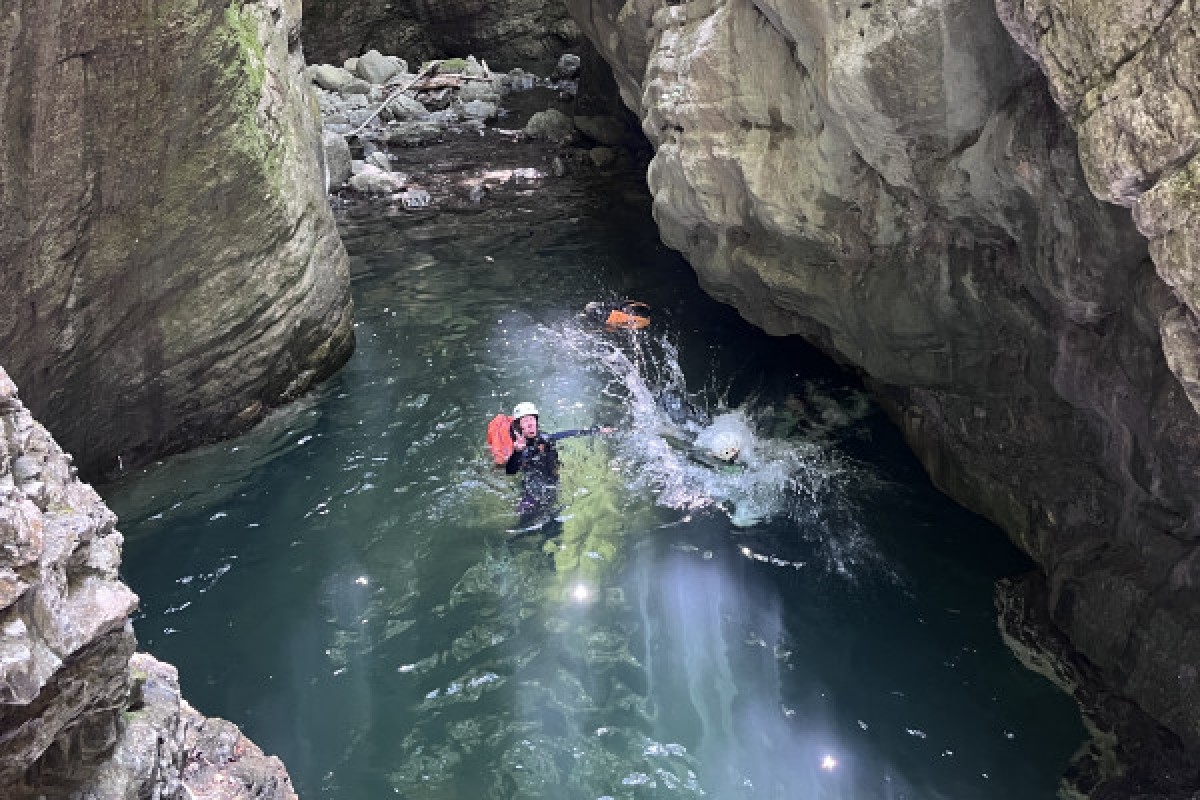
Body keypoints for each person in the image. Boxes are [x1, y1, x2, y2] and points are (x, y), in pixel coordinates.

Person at [505, 401, 611, 533]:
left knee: (553, 525)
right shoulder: (521, 448)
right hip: (532, 490)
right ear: (518, 426)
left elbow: (567, 434)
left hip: (552, 486)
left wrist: (597, 430)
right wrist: (517, 452)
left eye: (532, 419)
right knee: (525, 518)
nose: (530, 423)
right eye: (525, 420)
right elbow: (510, 470)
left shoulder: (544, 438)